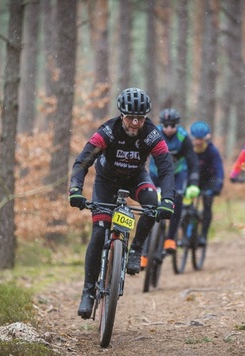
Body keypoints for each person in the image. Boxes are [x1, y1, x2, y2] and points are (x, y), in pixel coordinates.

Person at [68, 88, 175, 319]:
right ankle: (88, 291)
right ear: (121, 115)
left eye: (141, 118)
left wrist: (168, 199)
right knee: (99, 233)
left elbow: (166, 168)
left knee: (152, 204)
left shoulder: (152, 135)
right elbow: (83, 161)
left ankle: (136, 250)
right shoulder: (108, 131)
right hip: (106, 183)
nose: (135, 123)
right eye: (130, 117)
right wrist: (75, 189)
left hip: (136, 178)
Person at [147, 108, 200, 261]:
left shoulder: (183, 137)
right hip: (155, 173)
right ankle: (145, 248)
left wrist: (194, 182)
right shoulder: (153, 134)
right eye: (166, 126)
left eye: (172, 126)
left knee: (176, 200)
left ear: (177, 125)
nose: (169, 129)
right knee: (150, 203)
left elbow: (193, 160)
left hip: (177, 174)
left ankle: (170, 238)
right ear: (161, 125)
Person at [189, 121, 224, 246]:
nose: (198, 142)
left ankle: (203, 235)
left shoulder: (212, 151)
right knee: (185, 208)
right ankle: (185, 235)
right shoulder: (188, 149)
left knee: (207, 204)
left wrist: (218, 185)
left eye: (201, 139)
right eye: (196, 139)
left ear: (206, 138)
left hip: (209, 180)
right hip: (193, 179)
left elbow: (219, 169)